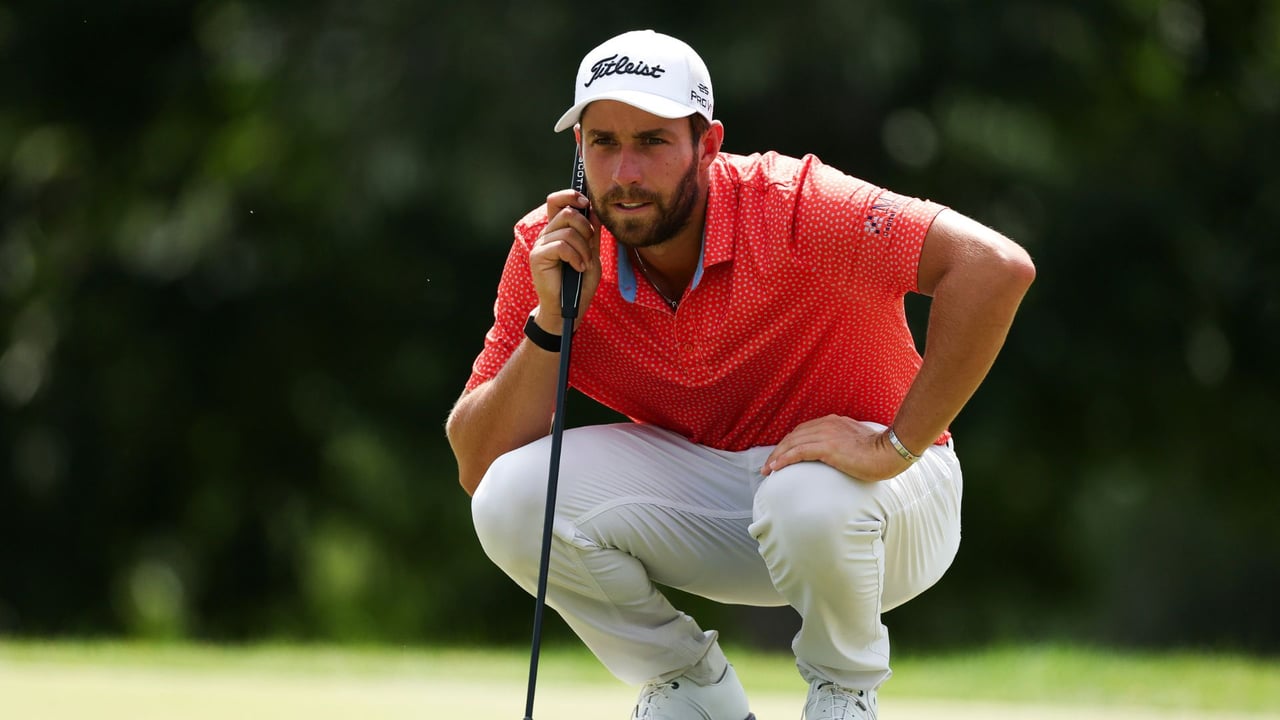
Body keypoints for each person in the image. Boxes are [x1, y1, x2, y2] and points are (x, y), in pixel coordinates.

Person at [446, 29, 1035, 720]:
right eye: (603, 142)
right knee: (510, 499)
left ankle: (844, 693)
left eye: (653, 141)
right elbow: (479, 462)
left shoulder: (796, 205)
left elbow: (994, 268)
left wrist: (894, 444)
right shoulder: (552, 249)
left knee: (806, 499)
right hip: (726, 502)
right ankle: (691, 693)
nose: (625, 172)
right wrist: (552, 322)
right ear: (579, 153)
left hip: (888, 501)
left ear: (708, 143)